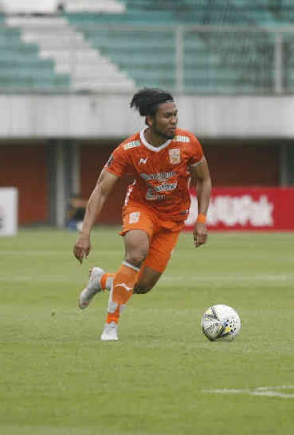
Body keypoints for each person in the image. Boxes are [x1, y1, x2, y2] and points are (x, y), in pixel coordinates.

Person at [73, 88, 212, 341]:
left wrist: (201, 220)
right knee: (136, 252)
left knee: (142, 285)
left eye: (175, 115)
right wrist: (85, 233)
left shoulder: (188, 143)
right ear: (149, 119)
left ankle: (101, 280)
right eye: (167, 116)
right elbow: (101, 190)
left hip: (173, 219)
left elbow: (204, 180)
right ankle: (110, 326)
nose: (174, 120)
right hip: (141, 208)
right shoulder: (128, 150)